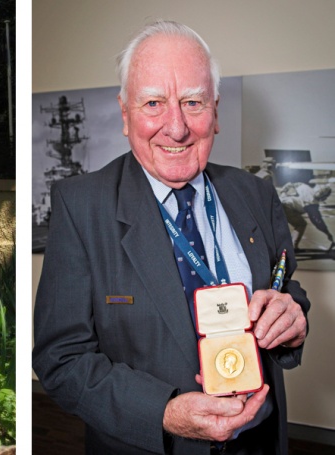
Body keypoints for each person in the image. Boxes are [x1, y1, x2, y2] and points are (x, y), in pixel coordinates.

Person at [32, 20, 310, 454]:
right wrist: (164, 413)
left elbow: (285, 287)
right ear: (125, 114)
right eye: (154, 103)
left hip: (259, 442)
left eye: (193, 102)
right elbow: (61, 359)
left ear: (215, 111)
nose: (176, 127)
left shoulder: (253, 192)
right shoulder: (80, 205)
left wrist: (292, 319)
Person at [278, 181, 334, 251]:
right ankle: (293, 246)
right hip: (286, 208)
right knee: (301, 224)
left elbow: (290, 184)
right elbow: (317, 221)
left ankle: (291, 245)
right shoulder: (312, 203)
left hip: (280, 202)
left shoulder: (305, 187)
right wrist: (328, 233)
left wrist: (283, 191)